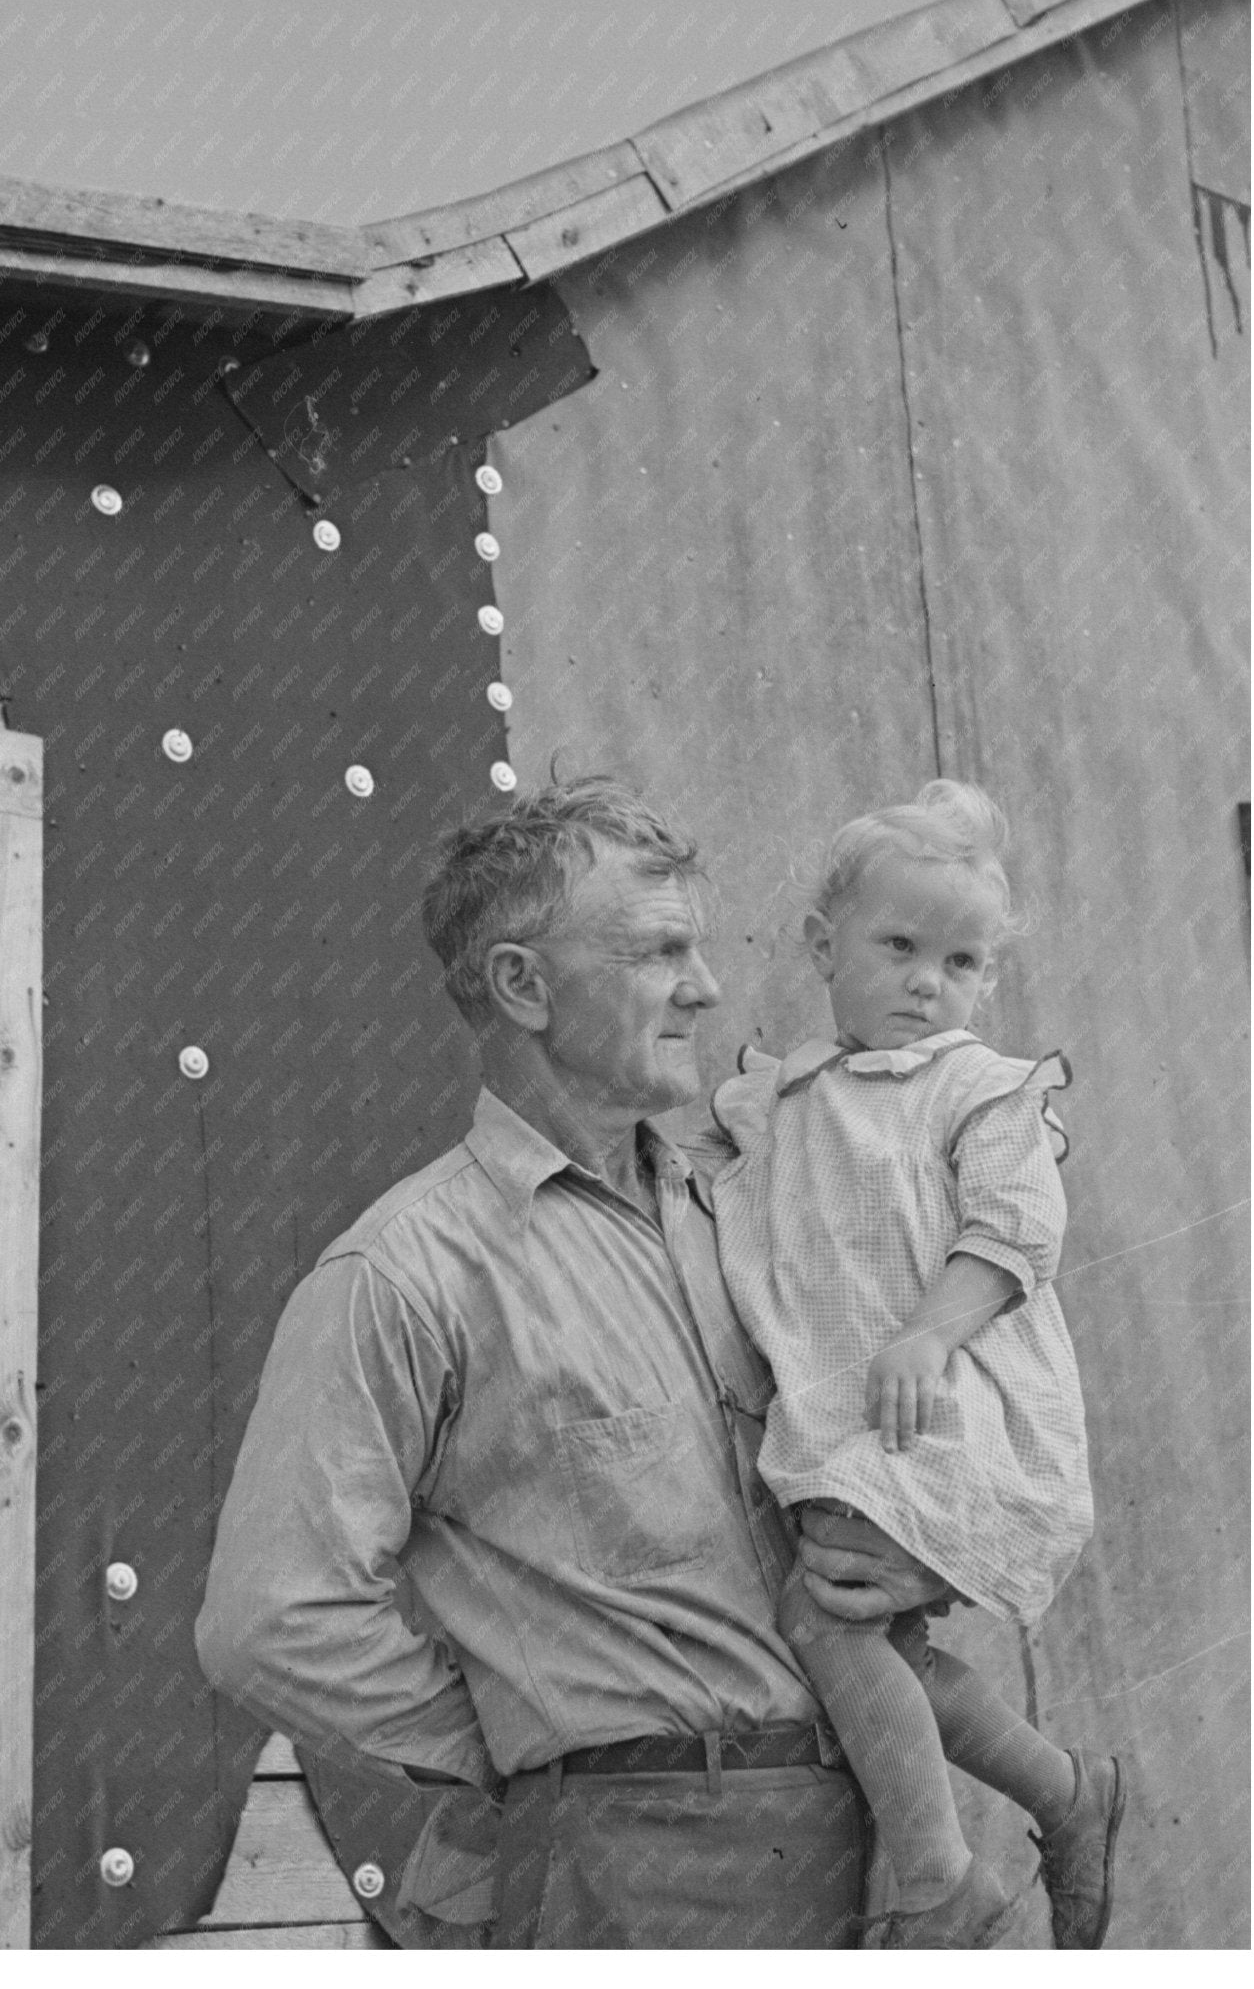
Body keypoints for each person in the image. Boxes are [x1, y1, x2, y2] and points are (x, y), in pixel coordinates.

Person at [195, 776, 950, 1950]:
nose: (706, 987)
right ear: (523, 985)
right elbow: (267, 1617)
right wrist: (521, 1743)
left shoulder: (764, 1203)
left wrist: (914, 1567)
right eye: (658, 952)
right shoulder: (402, 1273)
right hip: (625, 1868)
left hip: (870, 1835)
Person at [707, 779, 1127, 1950]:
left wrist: (932, 1329)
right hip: (853, 1416)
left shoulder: (982, 1087)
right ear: (820, 943)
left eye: (961, 961)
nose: (927, 982)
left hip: (944, 1403)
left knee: (830, 1615)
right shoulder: (784, 1091)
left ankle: (939, 1877)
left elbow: (1013, 1231)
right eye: (898, 947)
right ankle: (1064, 1791)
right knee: (869, 1639)